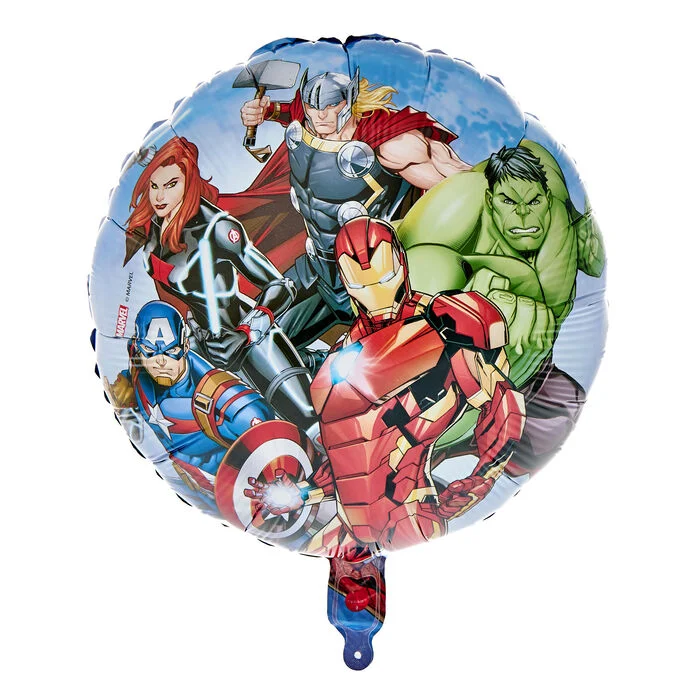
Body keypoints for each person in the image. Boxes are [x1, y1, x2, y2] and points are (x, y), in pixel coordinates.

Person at [244, 217, 526, 558]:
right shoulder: (343, 353)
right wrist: (302, 493)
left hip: (408, 516)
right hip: (349, 526)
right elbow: (349, 454)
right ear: (345, 280)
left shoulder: (444, 324)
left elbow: (500, 400)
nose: (374, 290)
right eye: (358, 280)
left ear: (400, 264)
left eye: (383, 274)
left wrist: (481, 478)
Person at [397, 141, 605, 470]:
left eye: (534, 202)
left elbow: (541, 327)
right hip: (424, 339)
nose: (523, 215)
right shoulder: (462, 200)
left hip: (500, 372)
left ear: (545, 199)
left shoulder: (557, 231)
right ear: (492, 201)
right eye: (509, 202)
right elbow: (408, 273)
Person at [235, 68, 471, 357]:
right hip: (319, 271)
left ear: (348, 101)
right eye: (313, 107)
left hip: (373, 284)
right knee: (252, 348)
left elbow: (458, 181)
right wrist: (265, 110)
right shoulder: (306, 122)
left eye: (331, 105)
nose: (321, 115)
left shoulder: (388, 142)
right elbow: (292, 111)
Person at [123, 136, 317, 436]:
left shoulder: (217, 229)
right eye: (154, 186)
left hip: (249, 339)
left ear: (188, 182)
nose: (160, 196)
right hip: (199, 345)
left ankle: (315, 364)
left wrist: (246, 333)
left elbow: (280, 284)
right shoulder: (151, 230)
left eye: (171, 184)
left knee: (309, 423)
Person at [105, 301, 276, 500]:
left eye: (171, 351)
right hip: (187, 485)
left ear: (185, 345)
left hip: (238, 492)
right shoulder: (136, 365)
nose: (161, 361)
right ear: (138, 347)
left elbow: (272, 437)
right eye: (150, 351)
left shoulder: (220, 398)